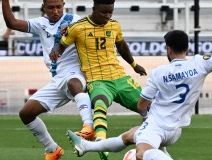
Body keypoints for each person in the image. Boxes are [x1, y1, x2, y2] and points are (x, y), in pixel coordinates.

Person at [65, 30, 212, 160]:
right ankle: (87, 147)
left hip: (158, 125)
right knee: (129, 136)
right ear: (187, 48)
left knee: (140, 152)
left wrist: (146, 119)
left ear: (168, 49)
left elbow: (142, 104)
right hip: (176, 129)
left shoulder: (160, 72)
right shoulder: (201, 64)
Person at [49, 0, 147, 159]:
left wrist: (134, 65)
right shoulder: (78, 28)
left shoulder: (114, 25)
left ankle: (155, 147)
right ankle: (101, 142)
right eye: (104, 12)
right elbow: (62, 44)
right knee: (100, 104)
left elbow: (122, 46)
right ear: (94, 9)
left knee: (150, 109)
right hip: (97, 80)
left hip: (120, 77)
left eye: (110, 12)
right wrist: (56, 51)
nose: (108, 16)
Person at [2, 0, 95, 159]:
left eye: (59, 7)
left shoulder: (74, 20)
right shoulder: (40, 23)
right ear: (44, 7)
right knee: (26, 113)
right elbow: (12, 22)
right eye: (51, 7)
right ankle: (52, 149)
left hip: (76, 72)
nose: (56, 11)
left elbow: (90, 36)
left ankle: (88, 126)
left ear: (63, 5)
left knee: (73, 83)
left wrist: (74, 31)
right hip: (57, 79)